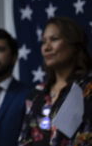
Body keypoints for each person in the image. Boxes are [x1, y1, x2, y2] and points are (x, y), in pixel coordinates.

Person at [18, 17, 92, 146]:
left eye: (54, 39)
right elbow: (25, 139)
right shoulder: (36, 93)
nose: (46, 47)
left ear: (73, 44)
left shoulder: (88, 88)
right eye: (43, 41)